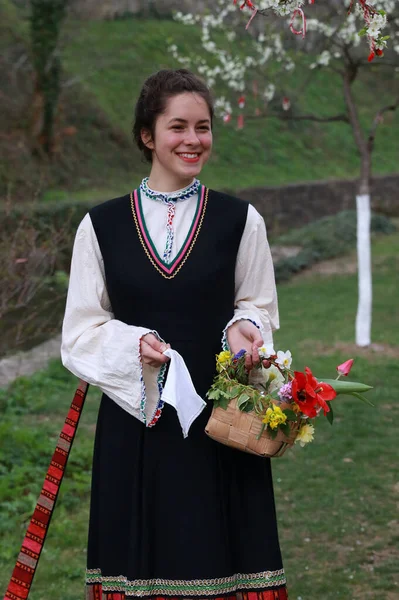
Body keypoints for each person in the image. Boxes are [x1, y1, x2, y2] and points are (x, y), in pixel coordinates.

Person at [61, 68, 287, 600]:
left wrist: (245, 330)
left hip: (221, 426)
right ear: (148, 135)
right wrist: (129, 345)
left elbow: (256, 302)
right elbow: (80, 330)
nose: (193, 140)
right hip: (135, 428)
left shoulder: (240, 220)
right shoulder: (101, 226)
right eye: (178, 126)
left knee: (222, 558)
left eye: (203, 127)